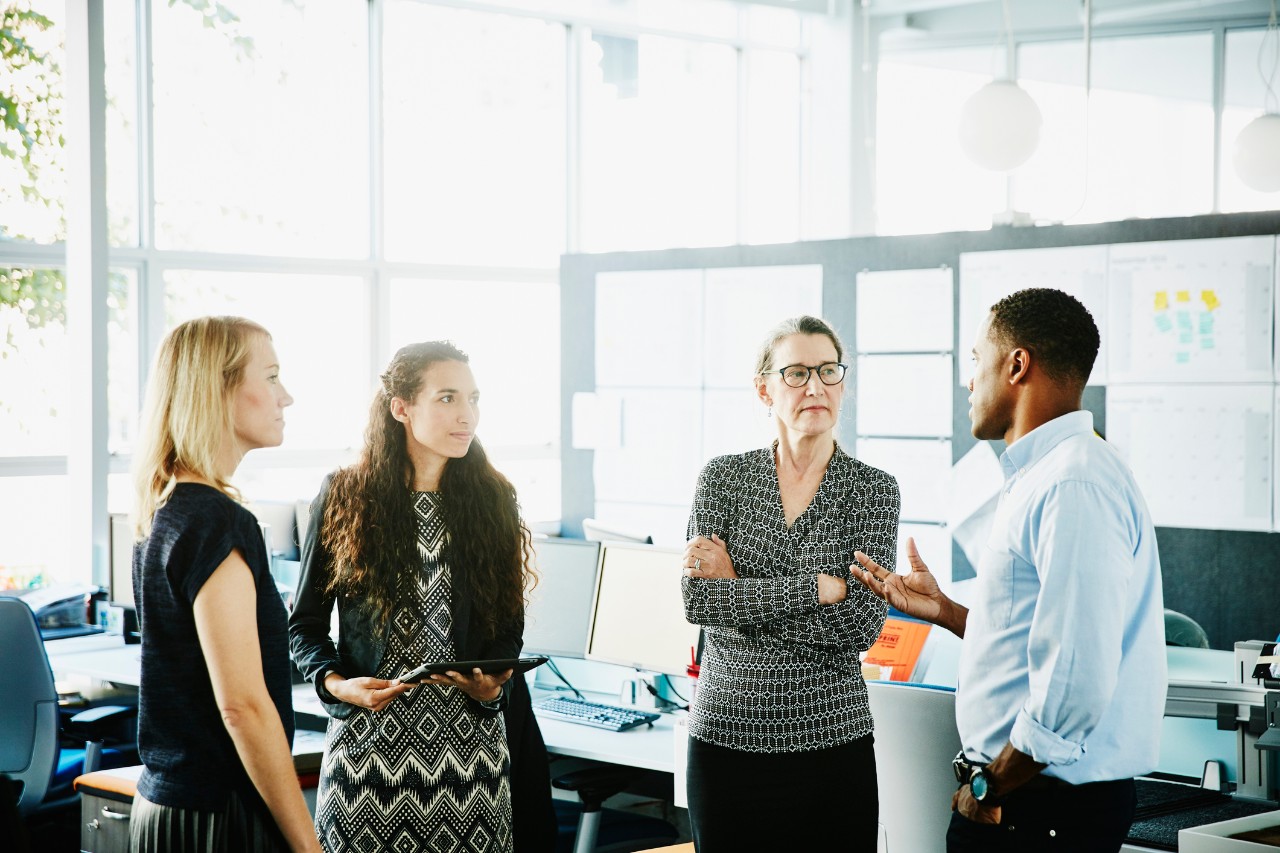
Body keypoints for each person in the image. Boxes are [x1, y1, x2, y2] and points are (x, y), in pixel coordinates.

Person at [853, 288, 1166, 853]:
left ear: (1017, 364)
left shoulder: (1074, 483)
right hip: (1027, 800)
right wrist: (946, 612)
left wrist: (989, 784)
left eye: (976, 360)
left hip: (1037, 806)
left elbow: (1074, 675)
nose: (969, 381)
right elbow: (1040, 640)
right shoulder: (1045, 475)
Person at [289, 341, 533, 853]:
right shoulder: (345, 495)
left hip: (471, 764)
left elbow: (508, 623)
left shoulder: (493, 500)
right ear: (401, 408)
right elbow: (304, 625)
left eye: (473, 398)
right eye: (447, 398)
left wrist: (495, 684)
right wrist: (337, 684)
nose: (467, 414)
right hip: (368, 762)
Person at [680, 315, 900, 852]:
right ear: (765, 389)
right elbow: (699, 600)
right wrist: (817, 589)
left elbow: (859, 628)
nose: (816, 387)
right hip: (725, 740)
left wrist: (741, 592)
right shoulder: (723, 478)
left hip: (831, 742)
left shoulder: (873, 491)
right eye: (797, 373)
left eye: (828, 371)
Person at [129, 316, 319, 853]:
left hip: (169, 806)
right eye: (272, 377)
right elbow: (242, 706)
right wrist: (308, 846)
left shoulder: (166, 507)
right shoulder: (217, 521)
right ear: (218, 389)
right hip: (218, 813)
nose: (287, 397)